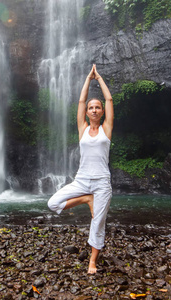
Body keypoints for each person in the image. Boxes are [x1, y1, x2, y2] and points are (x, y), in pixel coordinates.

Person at [48, 64, 114, 274]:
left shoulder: (107, 129)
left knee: (98, 221)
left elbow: (110, 100)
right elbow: (80, 100)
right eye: (91, 107)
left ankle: (92, 261)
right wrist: (88, 78)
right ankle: (86, 199)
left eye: (97, 107)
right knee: (53, 203)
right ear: (86, 112)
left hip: (102, 181)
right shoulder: (82, 129)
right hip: (82, 180)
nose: (94, 109)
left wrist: (99, 78)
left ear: (102, 111)